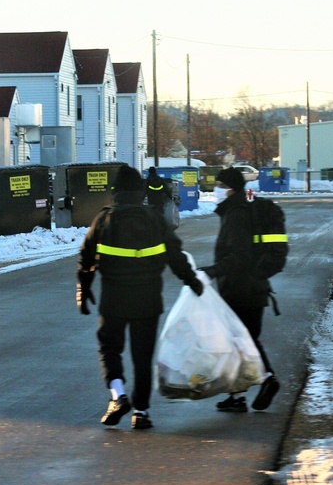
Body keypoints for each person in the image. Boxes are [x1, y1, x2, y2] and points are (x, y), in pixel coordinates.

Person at [77, 165, 204, 429]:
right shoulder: (154, 219)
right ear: (141, 192)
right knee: (142, 357)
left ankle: (118, 395)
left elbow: (86, 258)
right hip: (148, 301)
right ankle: (141, 413)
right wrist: (191, 281)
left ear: (115, 192)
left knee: (109, 348)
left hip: (114, 299)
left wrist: (83, 287)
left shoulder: (104, 219)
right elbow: (175, 254)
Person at [200, 167, 281, 413]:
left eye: (219, 185)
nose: (216, 190)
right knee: (238, 340)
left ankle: (267, 378)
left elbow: (239, 256)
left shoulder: (236, 214)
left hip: (241, 287)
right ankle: (237, 397)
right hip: (251, 286)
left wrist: (212, 271)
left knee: (242, 340)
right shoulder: (241, 208)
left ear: (229, 189)